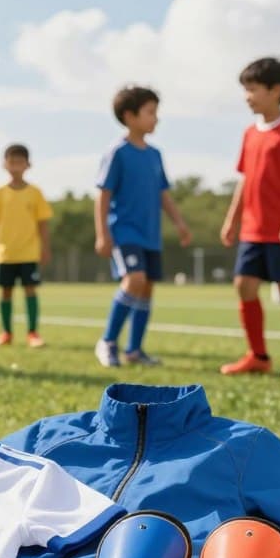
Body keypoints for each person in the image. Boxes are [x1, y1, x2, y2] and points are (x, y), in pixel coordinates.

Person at [219, 57, 280, 381]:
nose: (247, 96)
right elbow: (245, 180)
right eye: (245, 90)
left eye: (253, 89)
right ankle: (258, 356)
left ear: (276, 91)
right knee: (244, 286)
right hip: (252, 229)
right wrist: (232, 219)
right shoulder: (250, 133)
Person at [93, 85, 192, 368]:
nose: (156, 118)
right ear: (129, 116)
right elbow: (103, 193)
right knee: (134, 280)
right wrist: (103, 233)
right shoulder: (117, 152)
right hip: (125, 231)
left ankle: (134, 350)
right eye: (150, 112)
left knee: (147, 288)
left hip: (150, 235)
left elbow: (163, 194)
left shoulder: (155, 154)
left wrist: (180, 223)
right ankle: (108, 341)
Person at [0, 143, 52, 347]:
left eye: (20, 162)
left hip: (29, 252)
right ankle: (6, 333)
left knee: (30, 290)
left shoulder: (35, 193)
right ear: (5, 164)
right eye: (12, 162)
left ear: (28, 165)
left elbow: (43, 224)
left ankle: (32, 333)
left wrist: (45, 248)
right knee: (5, 291)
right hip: (5, 253)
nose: (15, 166)